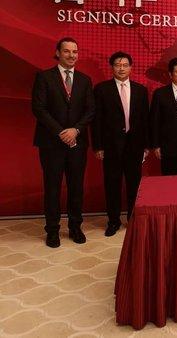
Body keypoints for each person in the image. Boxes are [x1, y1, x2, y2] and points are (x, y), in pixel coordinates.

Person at [31, 37, 94, 248]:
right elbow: (39, 109)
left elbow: (90, 110)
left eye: (75, 51)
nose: (71, 55)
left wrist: (75, 130)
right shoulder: (44, 77)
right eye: (67, 51)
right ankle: (52, 230)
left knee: (76, 187)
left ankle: (75, 227)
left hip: (77, 142)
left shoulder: (85, 80)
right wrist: (60, 132)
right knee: (52, 188)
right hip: (51, 143)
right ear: (58, 53)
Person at [92, 51, 149, 237]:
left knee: (135, 185)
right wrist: (98, 146)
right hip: (111, 147)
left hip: (135, 146)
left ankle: (133, 219)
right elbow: (97, 120)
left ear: (131, 68)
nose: (121, 68)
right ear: (112, 67)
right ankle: (113, 221)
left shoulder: (140, 90)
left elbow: (145, 120)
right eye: (118, 65)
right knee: (112, 185)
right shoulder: (102, 89)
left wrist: (146, 145)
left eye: (125, 65)